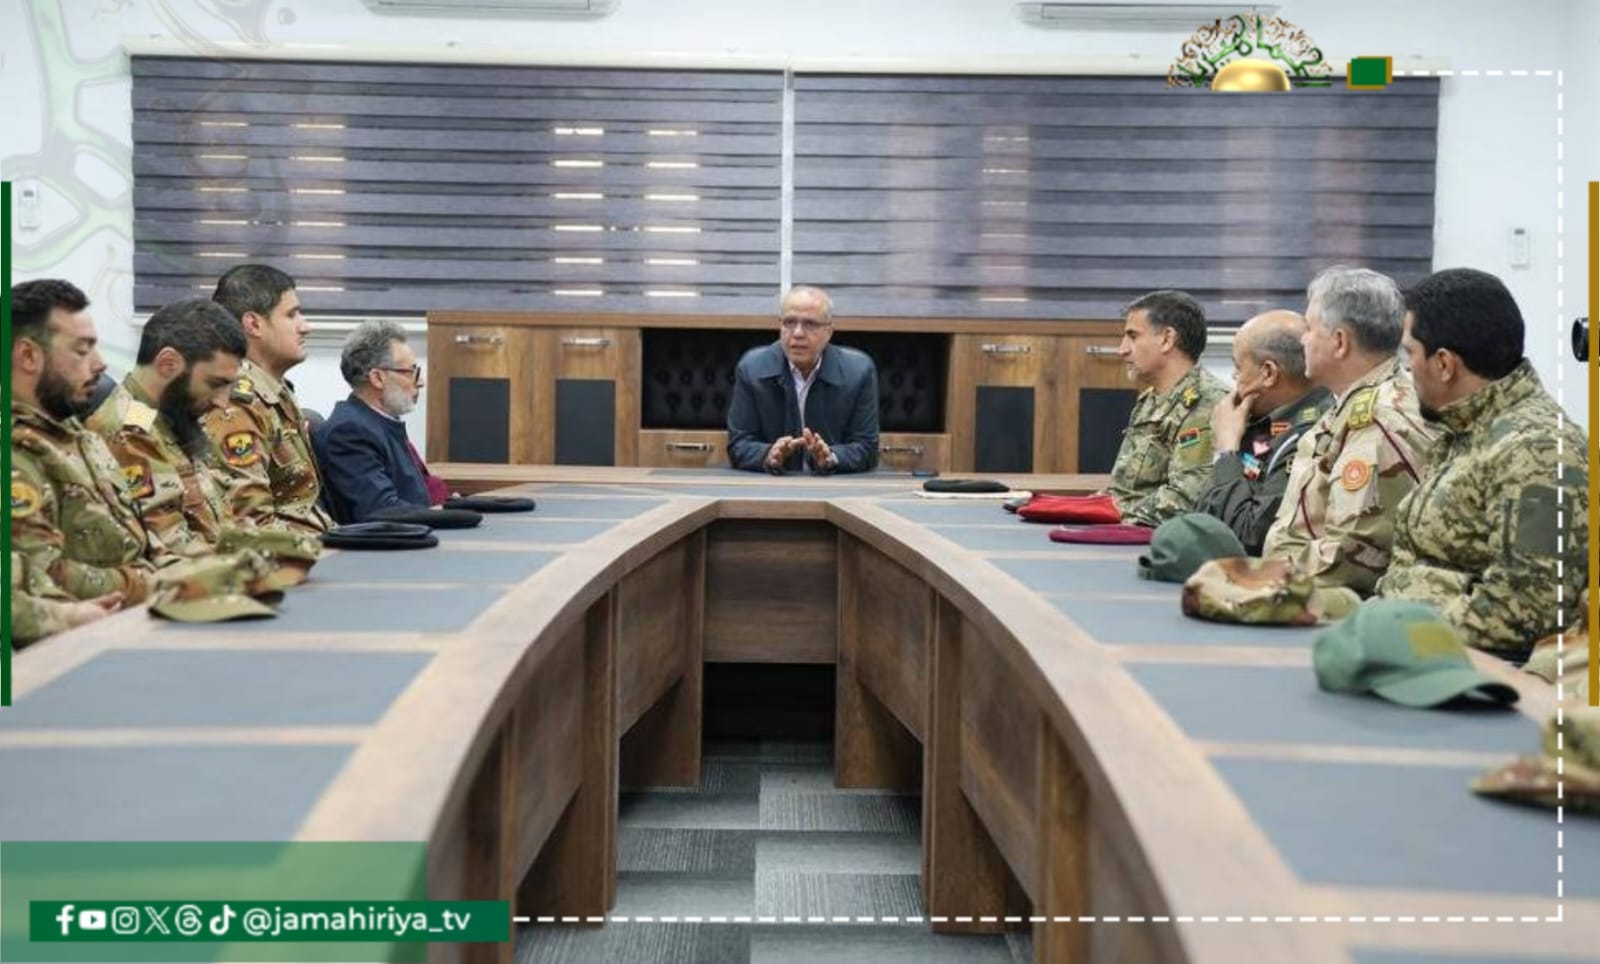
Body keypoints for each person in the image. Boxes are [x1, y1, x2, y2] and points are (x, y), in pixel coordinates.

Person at [1377, 268, 1587, 661]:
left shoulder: (1537, 451)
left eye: (1410, 354)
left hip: (1479, 668)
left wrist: (1391, 630)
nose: (1407, 370)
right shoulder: (1468, 428)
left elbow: (1527, 609)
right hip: (1425, 645)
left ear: (1444, 364)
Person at [1261, 266, 1437, 596]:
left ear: (1340, 342)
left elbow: (1349, 557)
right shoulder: (1356, 404)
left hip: (1332, 604)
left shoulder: (1377, 420)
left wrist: (1256, 580)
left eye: (1309, 329)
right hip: (1304, 592)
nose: (1302, 340)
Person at [10, 279, 167, 603]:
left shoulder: (79, 435)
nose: (100, 363)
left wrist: (183, 573)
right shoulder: (17, 451)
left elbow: (137, 538)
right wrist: (155, 585)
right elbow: (41, 577)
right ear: (28, 356)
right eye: (82, 350)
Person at [84, 298, 248, 556]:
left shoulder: (172, 420)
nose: (222, 402)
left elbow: (216, 527)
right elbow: (169, 552)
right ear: (168, 364)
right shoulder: (129, 432)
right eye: (215, 384)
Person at [202, 264, 335, 532]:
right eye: (292, 315)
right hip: (287, 552)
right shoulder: (235, 404)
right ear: (254, 324)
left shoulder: (275, 392)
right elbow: (251, 526)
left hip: (313, 542)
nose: (305, 327)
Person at [1195, 309, 1332, 554]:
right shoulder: (1259, 422)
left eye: (1238, 367)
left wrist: (1226, 451)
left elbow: (1250, 536)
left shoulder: (1309, 435)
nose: (1235, 378)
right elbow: (1203, 515)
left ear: (1268, 373)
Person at [1108, 289, 1231, 526]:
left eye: (1133, 336)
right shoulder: (1150, 399)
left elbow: (1184, 500)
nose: (1122, 349)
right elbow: (1125, 489)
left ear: (1167, 339)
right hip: (1131, 527)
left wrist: (1108, 515)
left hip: (1160, 536)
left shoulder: (1208, 403)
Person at [727, 285, 880, 474]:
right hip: (772, 484)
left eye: (810, 324)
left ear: (829, 331)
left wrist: (832, 457)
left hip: (833, 485)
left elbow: (867, 448)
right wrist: (767, 454)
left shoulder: (858, 371)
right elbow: (739, 445)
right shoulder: (752, 369)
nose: (798, 333)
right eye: (789, 322)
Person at [314, 320, 445, 523]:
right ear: (377, 378)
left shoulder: (379, 422)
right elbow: (382, 510)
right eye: (411, 372)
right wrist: (449, 515)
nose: (420, 382)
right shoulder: (349, 431)